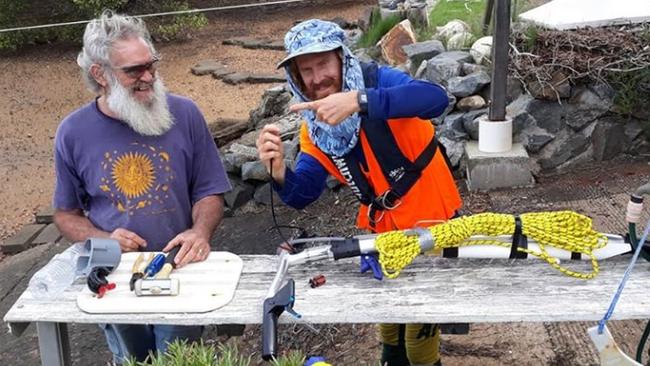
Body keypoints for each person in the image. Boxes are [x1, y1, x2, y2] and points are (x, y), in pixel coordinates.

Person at [256, 19, 462, 366]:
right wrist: (279, 173)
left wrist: (359, 101)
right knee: (389, 325)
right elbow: (303, 192)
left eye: (323, 64)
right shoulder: (316, 127)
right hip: (381, 234)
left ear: (342, 58)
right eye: (306, 70)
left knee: (418, 337)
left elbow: (436, 99)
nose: (317, 77)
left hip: (434, 226)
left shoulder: (379, 82)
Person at [52, 11, 231, 365]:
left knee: (181, 360)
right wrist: (100, 238)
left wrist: (200, 231)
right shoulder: (72, 132)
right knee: (131, 361)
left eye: (152, 65)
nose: (148, 77)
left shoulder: (186, 113)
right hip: (114, 277)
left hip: (182, 270)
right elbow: (66, 214)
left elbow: (209, 191)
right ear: (100, 74)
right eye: (134, 70)